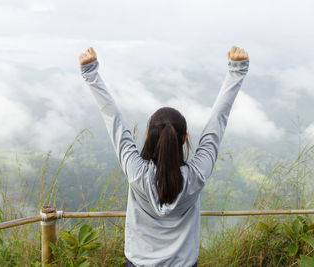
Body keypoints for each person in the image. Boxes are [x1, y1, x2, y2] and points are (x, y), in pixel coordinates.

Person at [79, 46, 249, 267]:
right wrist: (237, 69)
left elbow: (114, 120)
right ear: (185, 137)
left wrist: (90, 71)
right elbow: (218, 122)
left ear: (148, 135)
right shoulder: (196, 176)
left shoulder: (136, 173)